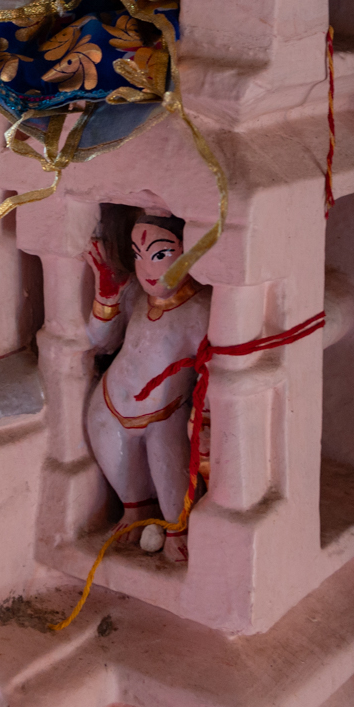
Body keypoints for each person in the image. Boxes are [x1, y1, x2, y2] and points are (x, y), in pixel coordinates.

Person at [84, 213, 211, 563]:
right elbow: (101, 342)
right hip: (109, 404)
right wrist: (107, 297)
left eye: (160, 255)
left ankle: (176, 529)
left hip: (164, 414)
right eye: (138, 255)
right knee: (119, 467)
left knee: (168, 470)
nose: (146, 269)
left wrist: (207, 417)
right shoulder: (136, 296)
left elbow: (212, 370)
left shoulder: (200, 310)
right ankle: (135, 511)